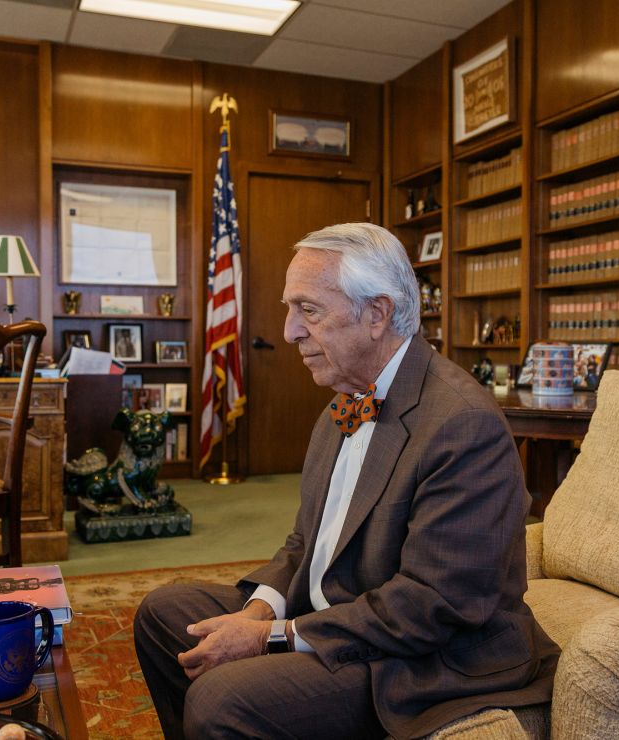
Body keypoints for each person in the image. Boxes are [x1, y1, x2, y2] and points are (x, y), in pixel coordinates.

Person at [134, 223, 558, 740]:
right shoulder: (345, 401)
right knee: (163, 614)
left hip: (422, 657)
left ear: (376, 314)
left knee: (222, 699)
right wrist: (257, 612)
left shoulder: (461, 422)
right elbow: (304, 543)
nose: (289, 331)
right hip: (339, 610)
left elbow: (432, 607)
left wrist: (271, 637)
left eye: (308, 310)